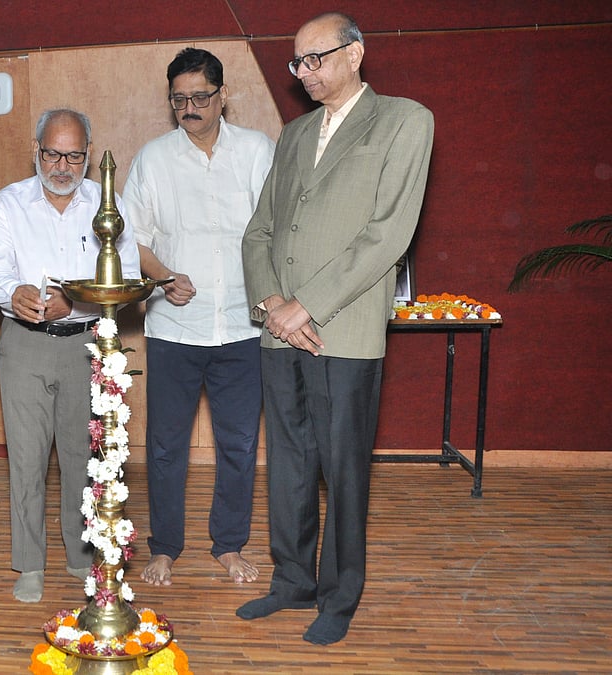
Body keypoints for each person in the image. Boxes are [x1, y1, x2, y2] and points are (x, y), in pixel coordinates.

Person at [238, 12, 434, 645]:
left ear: (355, 55)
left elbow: (387, 235)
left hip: (342, 331)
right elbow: (260, 229)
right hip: (279, 330)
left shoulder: (405, 120)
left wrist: (307, 305)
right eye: (297, 63)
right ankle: (292, 581)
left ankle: (339, 594)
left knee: (344, 468)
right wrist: (272, 304)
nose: (304, 73)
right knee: (290, 462)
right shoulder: (293, 135)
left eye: (314, 59)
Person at [122, 48, 275, 589]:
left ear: (222, 95)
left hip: (242, 324)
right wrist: (163, 276)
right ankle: (165, 548)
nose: (189, 108)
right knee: (165, 446)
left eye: (200, 97)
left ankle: (229, 545)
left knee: (239, 445)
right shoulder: (154, 158)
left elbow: (276, 230)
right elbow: (130, 236)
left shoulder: (257, 151)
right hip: (174, 328)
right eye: (179, 99)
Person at [0, 109, 141, 603]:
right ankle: (29, 565)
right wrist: (15, 295)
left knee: (81, 458)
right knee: (26, 461)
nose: (63, 165)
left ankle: (79, 555)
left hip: (85, 342)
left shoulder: (105, 204)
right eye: (53, 153)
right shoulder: (8, 203)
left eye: (74, 155)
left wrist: (79, 299)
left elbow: (128, 273)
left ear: (89, 155)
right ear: (36, 148)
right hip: (24, 343)